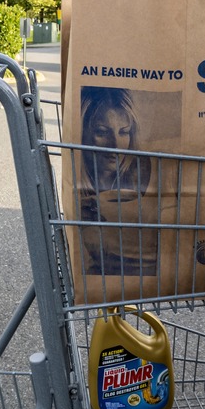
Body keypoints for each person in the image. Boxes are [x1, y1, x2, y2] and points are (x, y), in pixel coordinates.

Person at [77, 86, 156, 276]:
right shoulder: (79, 178)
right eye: (102, 132)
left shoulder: (141, 169)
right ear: (82, 133)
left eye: (124, 132)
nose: (115, 145)